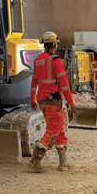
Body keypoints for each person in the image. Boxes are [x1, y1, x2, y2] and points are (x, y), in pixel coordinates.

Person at [28, 31, 76, 172]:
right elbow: (64, 85)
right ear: (55, 45)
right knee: (53, 130)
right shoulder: (56, 61)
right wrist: (71, 103)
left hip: (42, 100)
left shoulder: (38, 60)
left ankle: (63, 163)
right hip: (54, 101)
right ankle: (34, 161)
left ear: (44, 44)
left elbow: (34, 81)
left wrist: (32, 98)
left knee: (59, 130)